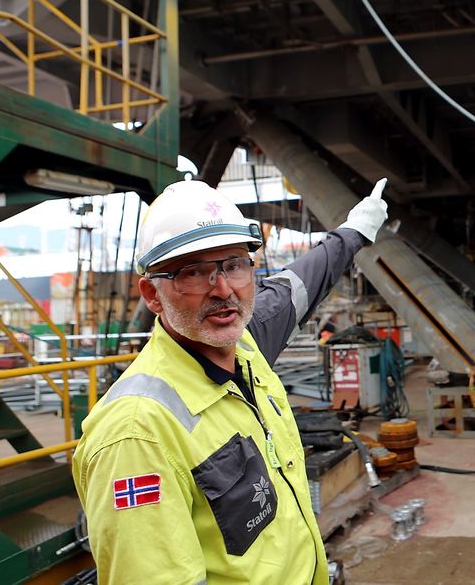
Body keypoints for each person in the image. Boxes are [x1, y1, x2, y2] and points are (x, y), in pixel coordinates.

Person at [72, 177, 388, 584]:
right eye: (193, 272)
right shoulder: (136, 434)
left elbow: (301, 283)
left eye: (235, 265)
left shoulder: (245, 344)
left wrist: (354, 232)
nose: (223, 289)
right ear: (152, 294)